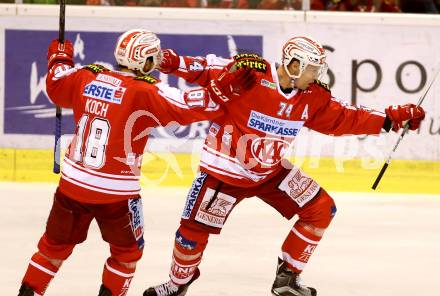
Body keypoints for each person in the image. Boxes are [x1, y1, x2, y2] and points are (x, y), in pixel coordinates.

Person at [144, 36, 425, 296]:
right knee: (191, 234)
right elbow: (203, 69)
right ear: (294, 65)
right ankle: (178, 282)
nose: (317, 76)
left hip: (269, 172)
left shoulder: (312, 95)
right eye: (312, 69)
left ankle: (287, 278)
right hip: (224, 170)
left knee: (320, 209)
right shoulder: (250, 73)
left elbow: (344, 118)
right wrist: (167, 61)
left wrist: (391, 119)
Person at [17, 29, 255, 296]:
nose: (157, 63)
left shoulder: (87, 76)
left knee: (52, 248)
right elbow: (194, 106)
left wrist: (59, 57)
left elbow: (56, 85)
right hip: (116, 195)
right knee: (126, 253)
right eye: (154, 57)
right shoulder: (146, 91)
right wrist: (226, 90)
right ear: (145, 61)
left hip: (72, 185)